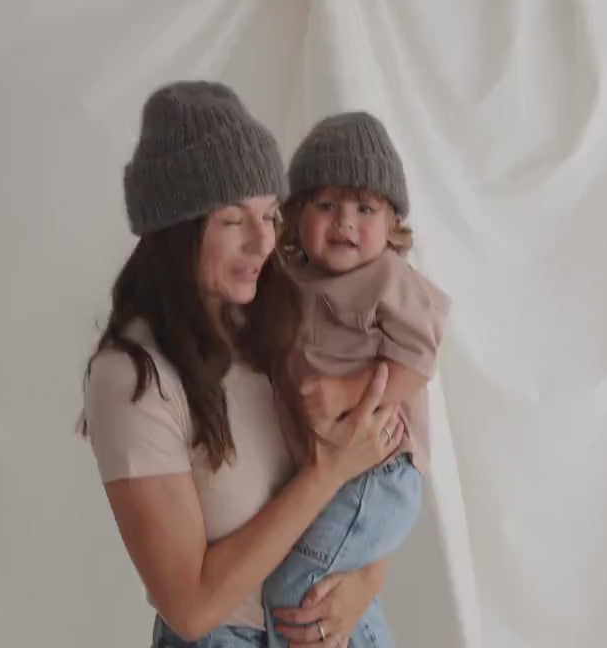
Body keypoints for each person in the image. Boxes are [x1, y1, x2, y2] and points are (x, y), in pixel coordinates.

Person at [79, 81, 406, 648]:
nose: (262, 242)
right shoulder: (132, 378)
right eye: (234, 220)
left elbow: (369, 483)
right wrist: (328, 469)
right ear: (175, 230)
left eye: (270, 215)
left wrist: (364, 582)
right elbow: (191, 608)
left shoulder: (274, 323)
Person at [262, 111, 451, 648]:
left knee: (295, 590)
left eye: (364, 208)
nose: (344, 222)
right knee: (330, 591)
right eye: (326, 205)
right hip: (327, 472)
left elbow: (420, 359)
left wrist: (348, 392)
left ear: (391, 224)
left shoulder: (389, 278)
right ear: (296, 215)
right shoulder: (289, 281)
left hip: (379, 470)